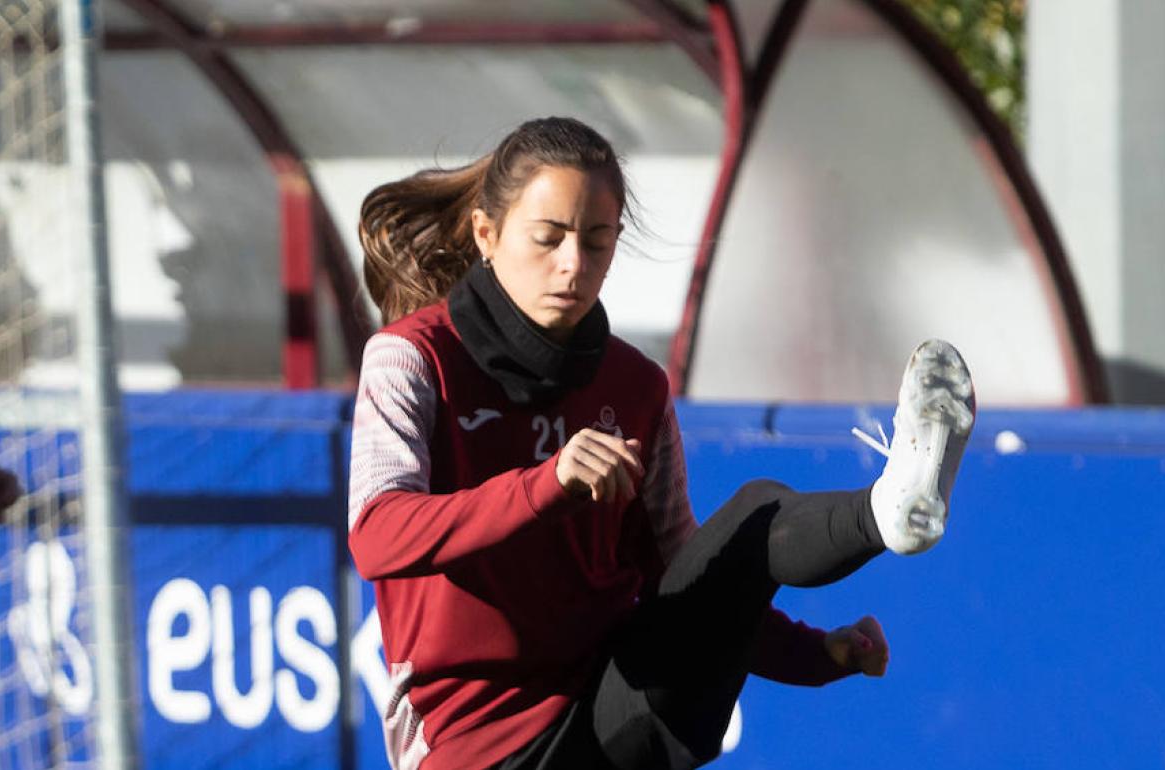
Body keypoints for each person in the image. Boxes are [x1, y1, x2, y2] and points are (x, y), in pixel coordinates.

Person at [348, 117, 976, 770]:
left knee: (752, 521)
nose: (573, 265)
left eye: (597, 242)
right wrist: (547, 483)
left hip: (619, 708)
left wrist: (817, 656)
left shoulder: (636, 386)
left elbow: (685, 576)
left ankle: (886, 511)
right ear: (487, 233)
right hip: (478, 749)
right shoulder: (410, 357)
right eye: (549, 238)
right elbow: (376, 534)